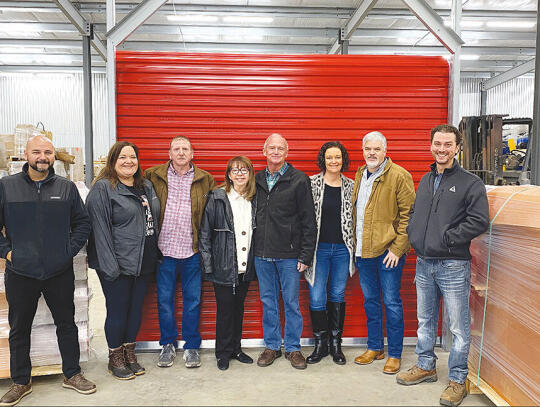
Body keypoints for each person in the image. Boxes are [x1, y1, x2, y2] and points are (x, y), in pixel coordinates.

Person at [0, 135, 96, 406]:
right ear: (26, 155)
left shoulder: (66, 188)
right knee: (19, 328)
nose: (43, 157)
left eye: (48, 152)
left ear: (54, 156)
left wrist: (68, 251)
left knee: (66, 324)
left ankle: (72, 374)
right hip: (20, 272)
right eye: (37, 152)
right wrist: (8, 253)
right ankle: (21, 381)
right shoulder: (7, 186)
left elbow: (82, 223)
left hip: (58, 271)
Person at [397, 125, 489, 407]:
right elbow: (415, 213)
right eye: (437, 143)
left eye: (448, 144)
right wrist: (415, 234)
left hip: (452, 265)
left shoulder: (470, 183)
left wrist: (449, 238)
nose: (441, 149)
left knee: (458, 327)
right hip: (424, 263)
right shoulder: (425, 180)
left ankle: (458, 379)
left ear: (457, 148)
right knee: (425, 321)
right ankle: (425, 366)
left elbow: (479, 220)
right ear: (431, 145)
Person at [86, 141, 160, 380]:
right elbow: (98, 230)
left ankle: (129, 353)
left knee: (135, 309)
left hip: (143, 260)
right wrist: (110, 267)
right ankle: (115, 357)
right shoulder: (103, 189)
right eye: (122, 157)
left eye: (133, 157)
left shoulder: (145, 186)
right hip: (116, 262)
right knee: (117, 310)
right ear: (113, 161)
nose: (129, 161)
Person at [145, 136, 216, 368]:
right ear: (170, 153)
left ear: (192, 153)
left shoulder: (205, 179)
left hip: (192, 252)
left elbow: (213, 214)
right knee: (164, 301)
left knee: (193, 301)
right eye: (177, 149)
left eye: (185, 149)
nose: (181, 152)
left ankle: (192, 346)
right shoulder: (152, 176)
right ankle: (167, 344)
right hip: (163, 252)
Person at [352, 131, 415, 375]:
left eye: (376, 149)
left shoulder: (400, 176)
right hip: (364, 252)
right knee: (371, 302)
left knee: (391, 303)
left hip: (388, 253)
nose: (372, 153)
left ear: (385, 151)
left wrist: (398, 248)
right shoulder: (360, 174)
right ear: (363, 150)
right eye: (368, 148)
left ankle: (395, 353)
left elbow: (409, 215)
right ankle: (375, 347)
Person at [253, 133, 317, 370]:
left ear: (287, 153)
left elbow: (309, 221)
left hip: (289, 255)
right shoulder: (256, 179)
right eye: (272, 148)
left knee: (290, 302)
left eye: (281, 148)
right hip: (262, 253)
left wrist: (305, 255)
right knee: (268, 302)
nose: (276, 152)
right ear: (264, 151)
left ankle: (292, 348)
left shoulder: (299, 179)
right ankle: (272, 346)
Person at [199, 156, 257, 371]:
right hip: (223, 265)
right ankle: (222, 353)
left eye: (244, 170)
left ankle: (236, 349)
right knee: (225, 310)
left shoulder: (254, 198)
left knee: (238, 308)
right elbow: (205, 233)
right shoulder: (217, 197)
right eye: (235, 170)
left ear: (250, 174)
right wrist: (208, 265)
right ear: (229, 174)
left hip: (245, 265)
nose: (240, 174)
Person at [305, 141, 354, 365]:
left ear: (343, 159)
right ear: (323, 160)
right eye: (329, 157)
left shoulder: (352, 186)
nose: (334, 161)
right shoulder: (311, 183)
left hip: (343, 249)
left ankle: (336, 344)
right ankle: (320, 344)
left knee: (337, 294)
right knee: (316, 296)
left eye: (337, 157)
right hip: (318, 250)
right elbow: (303, 219)